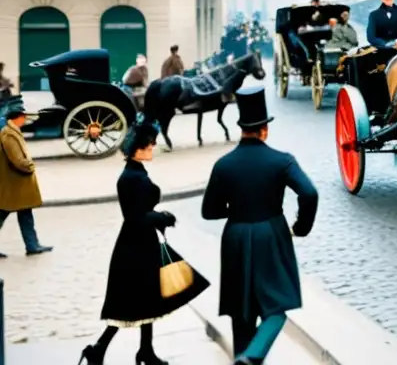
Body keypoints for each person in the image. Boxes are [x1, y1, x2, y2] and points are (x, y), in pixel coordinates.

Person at [201, 86, 318, 364]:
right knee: (277, 305)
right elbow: (309, 193)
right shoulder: (282, 161)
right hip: (271, 233)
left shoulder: (223, 164)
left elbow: (209, 211)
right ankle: (253, 355)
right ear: (264, 129)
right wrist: (300, 227)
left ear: (242, 128)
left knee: (241, 313)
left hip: (236, 236)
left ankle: (243, 356)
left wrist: (236, 208)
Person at [81, 118, 209, 365]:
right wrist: (163, 217)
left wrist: (157, 218)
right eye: (150, 145)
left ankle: (141, 351)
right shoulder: (133, 178)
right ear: (137, 148)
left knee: (145, 300)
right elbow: (136, 216)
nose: (153, 149)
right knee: (132, 302)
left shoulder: (134, 172)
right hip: (136, 247)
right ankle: (103, 350)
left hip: (138, 243)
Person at [0, 100, 51, 257]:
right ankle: (32, 245)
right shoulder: (9, 134)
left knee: (24, 213)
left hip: (16, 182)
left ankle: (32, 245)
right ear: (18, 117)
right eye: (24, 117)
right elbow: (17, 159)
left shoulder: (12, 130)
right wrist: (30, 166)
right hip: (14, 182)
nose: (25, 120)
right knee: (5, 212)